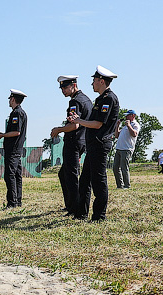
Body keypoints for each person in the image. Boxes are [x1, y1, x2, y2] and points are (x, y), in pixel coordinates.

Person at [69, 66, 120, 221]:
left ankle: (99, 216)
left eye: (94, 80)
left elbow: (98, 124)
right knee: (85, 181)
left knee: (98, 181)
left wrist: (79, 121)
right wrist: (79, 120)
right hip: (93, 144)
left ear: (101, 81)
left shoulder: (109, 99)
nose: (92, 83)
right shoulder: (100, 99)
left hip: (100, 144)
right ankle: (81, 214)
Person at [50, 75, 93, 215]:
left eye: (65, 87)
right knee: (64, 174)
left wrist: (59, 130)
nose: (63, 90)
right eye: (61, 88)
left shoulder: (75, 102)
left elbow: (74, 125)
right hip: (83, 140)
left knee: (71, 176)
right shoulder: (86, 99)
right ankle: (71, 205)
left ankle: (74, 208)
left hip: (74, 141)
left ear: (74, 85)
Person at [0, 89, 28, 207]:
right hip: (16, 149)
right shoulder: (19, 112)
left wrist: (2, 135)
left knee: (10, 175)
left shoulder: (17, 113)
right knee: (17, 175)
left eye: (10, 99)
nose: (9, 101)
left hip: (13, 149)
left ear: (13, 99)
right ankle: (17, 201)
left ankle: (12, 202)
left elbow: (16, 132)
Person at [113, 110, 140, 189]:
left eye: (128, 115)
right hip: (119, 148)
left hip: (127, 149)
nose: (125, 117)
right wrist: (117, 126)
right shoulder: (125, 126)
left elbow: (134, 134)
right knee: (115, 167)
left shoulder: (135, 124)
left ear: (133, 115)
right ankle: (119, 185)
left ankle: (127, 185)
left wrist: (129, 125)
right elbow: (116, 135)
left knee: (124, 167)